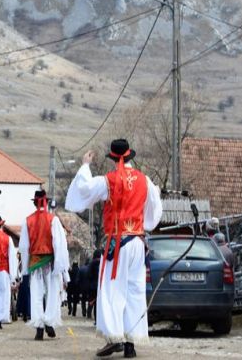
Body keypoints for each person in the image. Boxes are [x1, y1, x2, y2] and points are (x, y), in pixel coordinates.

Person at [65, 140, 163, 358]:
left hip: (117, 244)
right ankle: (131, 344)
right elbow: (154, 208)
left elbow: (83, 189)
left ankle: (115, 338)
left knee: (111, 291)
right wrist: (142, 224)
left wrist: (84, 166)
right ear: (129, 157)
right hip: (137, 242)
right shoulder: (144, 180)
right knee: (134, 291)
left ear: (112, 157)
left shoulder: (107, 181)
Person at [19, 189, 69, 340]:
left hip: (34, 261)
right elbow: (60, 245)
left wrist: (25, 268)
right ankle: (49, 321)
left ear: (35, 203)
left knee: (36, 294)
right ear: (46, 202)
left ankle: (39, 326)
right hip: (51, 261)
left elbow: (24, 247)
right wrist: (62, 267)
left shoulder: (27, 220)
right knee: (53, 293)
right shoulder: (53, 220)